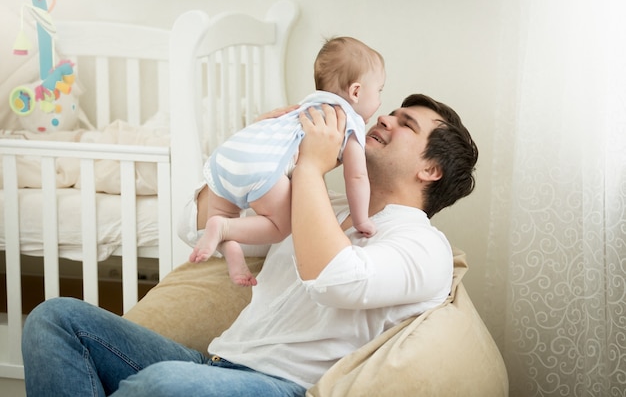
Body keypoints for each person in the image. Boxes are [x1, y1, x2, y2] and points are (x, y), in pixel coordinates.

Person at [21, 93, 479, 396]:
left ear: (431, 170)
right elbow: (195, 226)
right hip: (216, 362)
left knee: (164, 384)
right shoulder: (322, 202)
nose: (383, 118)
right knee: (55, 319)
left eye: (406, 124)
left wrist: (308, 167)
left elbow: (335, 280)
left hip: (281, 386)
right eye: (391, 112)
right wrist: (245, 159)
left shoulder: (424, 246)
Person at [189, 36, 385, 286]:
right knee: (280, 226)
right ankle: (223, 228)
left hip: (228, 155)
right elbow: (356, 176)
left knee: (225, 213)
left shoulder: (304, 105)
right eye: (379, 91)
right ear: (356, 91)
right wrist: (361, 219)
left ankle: (231, 251)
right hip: (263, 171)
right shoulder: (348, 119)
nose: (379, 102)